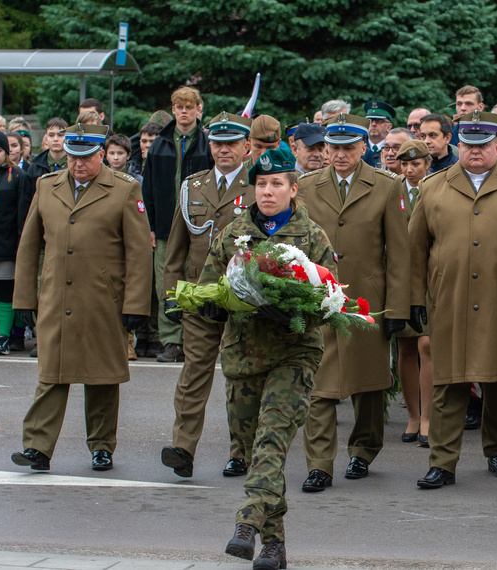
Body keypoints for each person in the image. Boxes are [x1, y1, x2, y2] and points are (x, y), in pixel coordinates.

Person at [203, 148, 336, 568]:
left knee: (271, 443)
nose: (267, 191)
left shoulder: (312, 236)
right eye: (261, 184)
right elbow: (210, 282)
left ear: (293, 190)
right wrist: (208, 303)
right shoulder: (233, 232)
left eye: (277, 183)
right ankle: (274, 546)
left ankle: (246, 525)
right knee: (251, 450)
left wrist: (297, 308)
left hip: (293, 357)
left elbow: (331, 300)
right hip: (243, 357)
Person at [409, 111, 497, 489]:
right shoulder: (432, 187)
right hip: (448, 298)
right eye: (468, 145)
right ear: (459, 146)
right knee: (448, 382)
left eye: (483, 145)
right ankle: (442, 462)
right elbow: (415, 249)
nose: (475, 152)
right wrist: (415, 298)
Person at [10, 123, 152, 472]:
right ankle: (37, 448)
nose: (78, 165)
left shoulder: (123, 189)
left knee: (101, 377)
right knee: (51, 375)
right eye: (73, 157)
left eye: (86, 157)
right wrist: (24, 299)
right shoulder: (47, 187)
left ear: (101, 155)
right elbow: (29, 248)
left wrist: (135, 305)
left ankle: (102, 447)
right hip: (56, 298)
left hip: (103, 300)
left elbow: (138, 253)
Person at [297, 113, 411, 492]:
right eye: (334, 147)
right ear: (326, 148)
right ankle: (319, 464)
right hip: (319, 298)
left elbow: (398, 252)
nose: (341, 154)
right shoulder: (307, 187)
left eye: (349, 147)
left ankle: (363, 450)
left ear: (365, 147)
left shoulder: (386, 185)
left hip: (367, 299)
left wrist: (397, 308)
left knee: (369, 384)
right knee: (319, 384)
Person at [160, 111, 256, 479]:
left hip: (244, 299)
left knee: (241, 377)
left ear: (246, 146)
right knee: (193, 372)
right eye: (217, 143)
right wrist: (171, 295)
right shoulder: (192, 186)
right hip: (199, 296)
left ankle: (240, 451)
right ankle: (183, 448)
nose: (223, 150)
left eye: (232, 143)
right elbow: (177, 248)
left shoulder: (258, 186)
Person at [142, 86, 213, 363]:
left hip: (197, 226)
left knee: (195, 280)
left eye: (189, 106)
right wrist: (148, 224)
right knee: (166, 284)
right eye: (179, 106)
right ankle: (171, 340)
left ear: (199, 109)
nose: (184, 111)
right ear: (173, 110)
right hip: (163, 227)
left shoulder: (206, 143)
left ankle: (192, 339)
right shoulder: (160, 143)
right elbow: (147, 189)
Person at [394, 139, 434, 446]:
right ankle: (412, 415)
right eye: (404, 164)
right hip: (400, 279)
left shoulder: (436, 188)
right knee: (405, 348)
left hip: (431, 278)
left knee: (427, 346)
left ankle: (428, 419)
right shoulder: (392, 190)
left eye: (415, 164)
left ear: (427, 163)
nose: (409, 170)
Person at [0, 131, 30, 355]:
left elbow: (22, 213)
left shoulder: (16, 176)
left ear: (6, 153)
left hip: (6, 246)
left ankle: (4, 337)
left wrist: (19, 245)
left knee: (5, 292)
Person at [26, 118, 68, 189]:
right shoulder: (34, 168)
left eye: (60, 135)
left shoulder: (75, 165)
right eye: (51, 135)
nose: (55, 139)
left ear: (67, 138)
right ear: (46, 139)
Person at [362, 100, 395, 168]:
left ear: (389, 126)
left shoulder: (394, 149)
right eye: (370, 121)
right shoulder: (358, 147)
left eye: (378, 121)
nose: (373, 124)